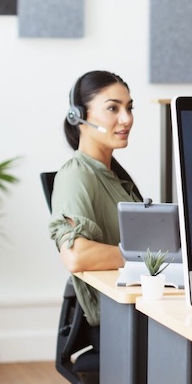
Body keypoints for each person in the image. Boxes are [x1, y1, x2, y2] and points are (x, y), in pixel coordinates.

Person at [48, 70, 144, 327]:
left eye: (129, 108)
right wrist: (149, 258)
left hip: (138, 304)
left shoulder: (114, 176)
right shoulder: (76, 175)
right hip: (117, 320)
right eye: (113, 108)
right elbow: (76, 256)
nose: (126, 119)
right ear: (78, 116)